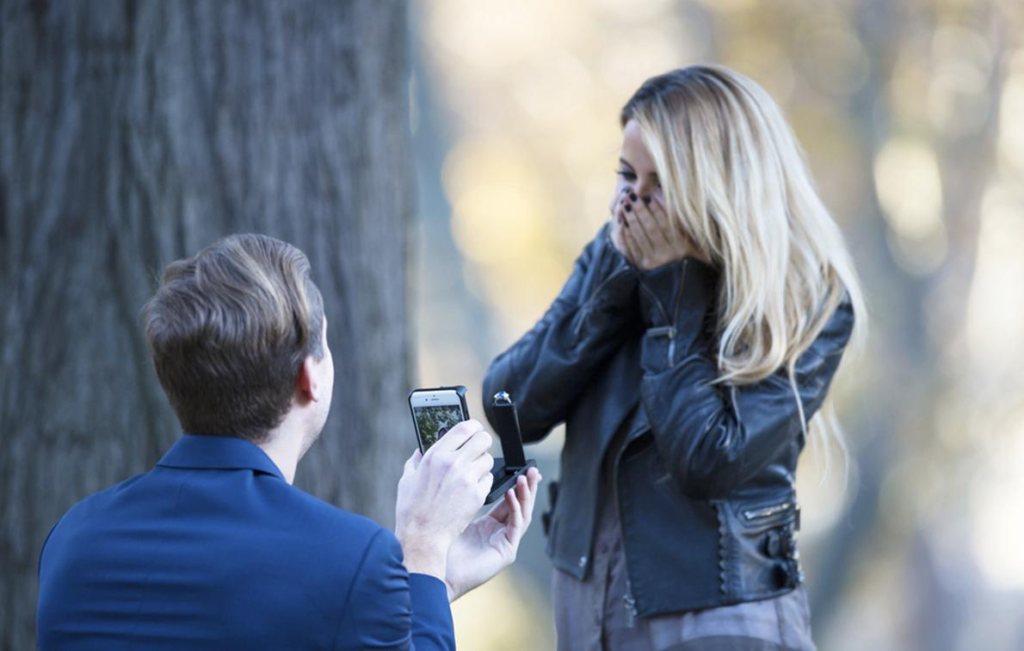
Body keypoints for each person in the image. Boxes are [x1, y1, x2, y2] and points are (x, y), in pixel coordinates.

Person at [483, 65, 866, 651]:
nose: (632, 201)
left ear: (716, 184)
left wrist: (671, 299)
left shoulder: (806, 298)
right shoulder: (610, 255)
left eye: (659, 183)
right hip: (588, 610)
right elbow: (512, 404)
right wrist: (614, 287)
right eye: (625, 174)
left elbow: (708, 459)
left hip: (720, 619)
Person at [37, 233, 542, 650]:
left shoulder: (71, 540)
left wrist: (433, 584)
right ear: (311, 378)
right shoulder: (351, 559)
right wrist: (424, 549)